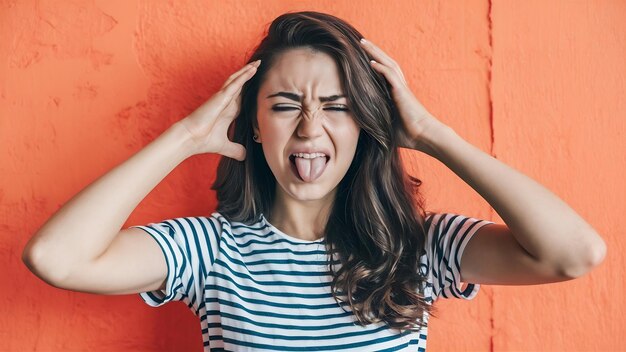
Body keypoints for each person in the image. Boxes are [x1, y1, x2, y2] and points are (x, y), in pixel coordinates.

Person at [22, 11, 606, 352]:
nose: (310, 128)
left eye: (336, 105)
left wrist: (429, 132)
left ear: (367, 124)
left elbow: (575, 254)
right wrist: (184, 139)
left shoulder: (419, 247)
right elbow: (55, 257)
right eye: (283, 105)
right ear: (251, 123)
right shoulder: (207, 250)